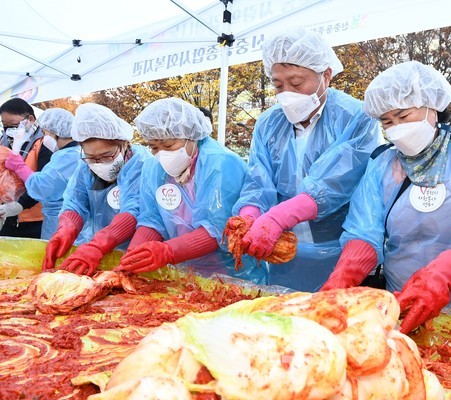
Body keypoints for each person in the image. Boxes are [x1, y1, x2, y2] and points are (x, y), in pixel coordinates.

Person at [320, 61, 451, 333]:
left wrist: (441, 276)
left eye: (403, 116)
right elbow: (364, 230)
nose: (396, 128)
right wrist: (343, 276)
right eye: (387, 122)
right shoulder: (382, 164)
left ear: (432, 105)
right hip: (402, 302)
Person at [227, 28, 381, 292]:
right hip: (283, 254)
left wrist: (278, 217)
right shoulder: (268, 123)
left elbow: (333, 184)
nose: (287, 93)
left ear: (326, 75)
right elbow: (258, 180)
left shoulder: (355, 116)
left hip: (339, 252)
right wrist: (249, 217)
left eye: (297, 83)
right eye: (278, 85)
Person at [116, 98, 266, 284]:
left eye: (169, 146)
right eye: (154, 147)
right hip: (183, 270)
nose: (162, 154)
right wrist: (132, 259)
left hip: (232, 273)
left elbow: (217, 230)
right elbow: (152, 219)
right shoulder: (153, 168)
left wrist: (168, 251)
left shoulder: (220, 164)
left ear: (191, 136)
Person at [42, 103, 150, 275]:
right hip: (95, 252)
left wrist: (98, 244)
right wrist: (67, 228)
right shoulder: (85, 168)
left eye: (107, 156)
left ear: (124, 144)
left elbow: (135, 209)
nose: (99, 164)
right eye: (92, 157)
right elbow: (76, 202)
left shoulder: (142, 165)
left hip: (135, 253)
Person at [3, 108, 80, 240]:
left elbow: (42, 186)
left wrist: (19, 166)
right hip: (59, 220)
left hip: (60, 222)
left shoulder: (68, 157)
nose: (43, 138)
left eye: (44, 133)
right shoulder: (67, 154)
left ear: (54, 132)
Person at [0, 98, 52, 238]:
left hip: (36, 219)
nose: (9, 130)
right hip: (7, 219)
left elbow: (44, 184)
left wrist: (19, 205)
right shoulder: (3, 143)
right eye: (5, 125)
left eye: (14, 125)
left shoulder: (45, 144)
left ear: (30, 119)